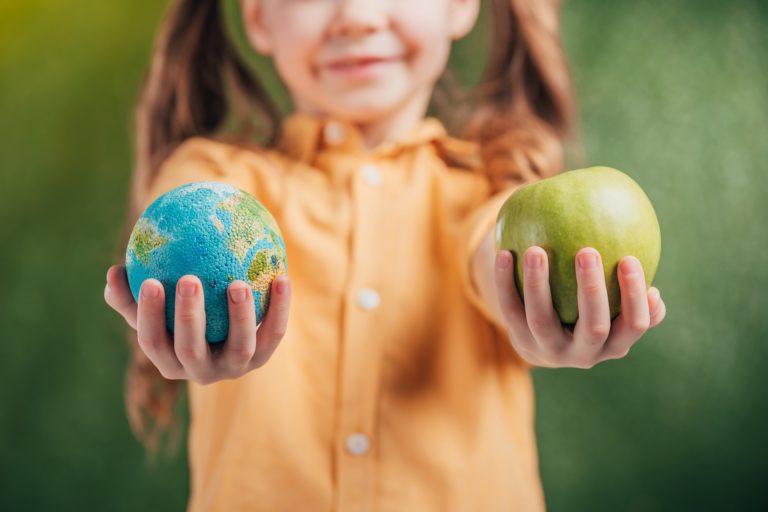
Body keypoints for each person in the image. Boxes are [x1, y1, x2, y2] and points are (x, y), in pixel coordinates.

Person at [104, 0, 667, 510]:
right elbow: (173, 226)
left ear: (460, 6)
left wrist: (535, 298)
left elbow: (492, 251)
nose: (358, 16)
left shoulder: (489, 194)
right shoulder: (218, 181)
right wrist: (187, 314)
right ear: (256, 16)